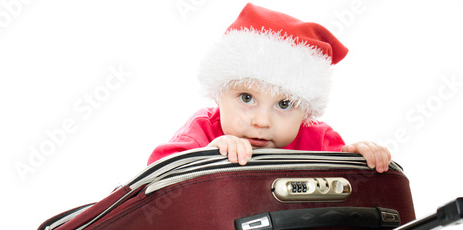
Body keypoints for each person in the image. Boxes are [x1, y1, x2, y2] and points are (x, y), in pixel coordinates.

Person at [147, 3, 391, 173]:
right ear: (220, 95)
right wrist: (207, 157)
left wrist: (360, 157)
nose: (261, 121)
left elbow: (346, 188)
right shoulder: (202, 130)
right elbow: (152, 181)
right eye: (246, 97)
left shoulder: (318, 139)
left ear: (305, 113)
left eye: (284, 104)